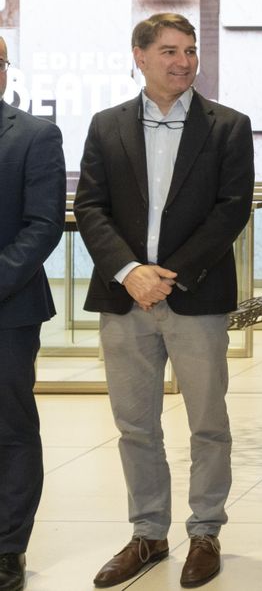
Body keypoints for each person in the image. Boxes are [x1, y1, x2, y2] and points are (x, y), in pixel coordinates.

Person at [74, 13, 254, 588]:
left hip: (193, 298)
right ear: (140, 56)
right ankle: (148, 533)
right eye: (171, 51)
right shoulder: (106, 126)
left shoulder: (228, 125)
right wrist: (130, 272)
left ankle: (205, 532)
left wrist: (167, 275)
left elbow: (232, 208)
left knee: (208, 423)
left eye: (191, 51)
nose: (184, 61)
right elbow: (90, 208)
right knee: (135, 426)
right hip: (125, 301)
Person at [0, 36, 65, 591]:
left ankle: (7, 549)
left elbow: (43, 226)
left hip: (8, 312)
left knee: (10, 429)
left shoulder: (34, 136)